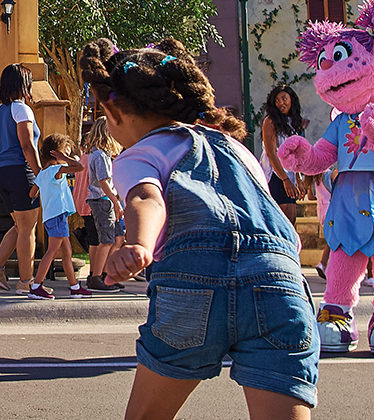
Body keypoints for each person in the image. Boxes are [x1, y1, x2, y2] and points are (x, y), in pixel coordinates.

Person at [87, 38, 317, 419]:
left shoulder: (141, 153)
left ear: (113, 113)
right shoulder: (235, 147)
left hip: (194, 280)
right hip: (279, 280)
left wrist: (139, 244)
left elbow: (147, 198)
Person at [0, 65, 44, 293]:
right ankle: (27, 283)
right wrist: (41, 175)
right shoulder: (22, 109)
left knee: (20, 225)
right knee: (28, 228)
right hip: (19, 169)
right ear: (22, 85)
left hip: (1, 170)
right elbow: (27, 146)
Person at [31, 133, 89, 299]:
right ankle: (37, 286)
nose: (68, 155)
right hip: (57, 215)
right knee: (52, 251)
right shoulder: (57, 169)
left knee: (67, 252)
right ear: (56, 154)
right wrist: (65, 159)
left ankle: (75, 286)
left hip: (52, 216)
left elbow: (32, 193)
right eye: (65, 152)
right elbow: (79, 167)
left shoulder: (42, 173)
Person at [82, 118, 125, 291]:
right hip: (103, 201)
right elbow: (103, 181)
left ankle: (106, 274)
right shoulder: (99, 155)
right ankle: (96, 277)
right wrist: (115, 201)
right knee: (106, 240)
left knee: (117, 238)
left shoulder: (99, 154)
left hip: (105, 200)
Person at [260, 84, 310, 227]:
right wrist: (285, 179)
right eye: (277, 100)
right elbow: (271, 153)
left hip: (289, 175)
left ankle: (291, 249)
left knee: (292, 219)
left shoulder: (293, 124)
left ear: (291, 99)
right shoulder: (270, 122)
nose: (280, 103)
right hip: (275, 175)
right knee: (284, 222)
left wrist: (298, 179)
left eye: (283, 99)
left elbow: (296, 154)